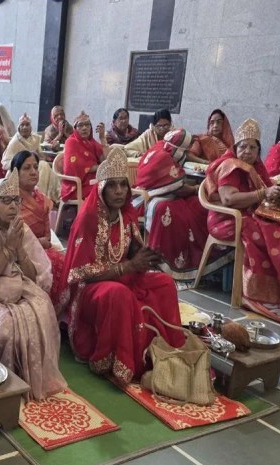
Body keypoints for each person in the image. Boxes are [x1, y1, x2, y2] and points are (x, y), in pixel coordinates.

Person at [57, 147, 185, 384]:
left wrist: (147, 257)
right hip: (91, 288)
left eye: (123, 185)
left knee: (165, 283)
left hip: (122, 277)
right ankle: (115, 362)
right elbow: (80, 273)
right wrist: (126, 267)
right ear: (101, 189)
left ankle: (168, 350)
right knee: (119, 293)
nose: (119, 191)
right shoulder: (88, 219)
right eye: (112, 186)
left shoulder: (126, 215)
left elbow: (133, 253)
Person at [0, 172, 65, 400]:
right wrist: (7, 248)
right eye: (5, 201)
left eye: (15, 201)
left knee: (42, 308)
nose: (12, 207)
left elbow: (32, 275)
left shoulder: (19, 229)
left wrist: (18, 251)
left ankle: (32, 381)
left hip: (18, 287)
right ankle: (6, 387)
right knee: (7, 325)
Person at [204, 118, 280, 317]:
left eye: (253, 147)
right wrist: (263, 195)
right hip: (225, 218)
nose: (247, 151)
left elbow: (264, 189)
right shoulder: (230, 166)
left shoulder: (256, 167)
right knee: (265, 232)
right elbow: (229, 199)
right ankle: (257, 295)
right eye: (243, 146)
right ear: (235, 147)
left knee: (274, 228)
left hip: (246, 214)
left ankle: (274, 293)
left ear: (258, 151)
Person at [136, 129, 227, 281]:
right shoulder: (163, 158)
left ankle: (204, 252)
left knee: (198, 206)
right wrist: (196, 189)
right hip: (148, 197)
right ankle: (168, 261)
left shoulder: (163, 146)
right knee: (179, 214)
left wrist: (204, 164)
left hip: (164, 193)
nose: (185, 154)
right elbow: (178, 188)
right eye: (185, 150)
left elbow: (183, 161)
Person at [13, 150, 64, 304]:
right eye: (27, 168)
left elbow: (47, 236)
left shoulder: (41, 198)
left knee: (68, 263)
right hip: (19, 254)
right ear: (16, 172)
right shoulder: (10, 200)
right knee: (54, 263)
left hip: (42, 248)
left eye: (35, 167)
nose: (34, 172)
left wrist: (42, 243)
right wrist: (37, 243)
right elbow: (8, 236)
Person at [1, 113, 57, 202]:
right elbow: (5, 163)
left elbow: (40, 155)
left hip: (34, 168)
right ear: (18, 127)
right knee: (42, 166)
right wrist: (21, 162)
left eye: (27, 125)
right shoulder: (15, 142)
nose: (24, 127)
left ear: (31, 127)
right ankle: (36, 197)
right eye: (22, 125)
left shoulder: (35, 138)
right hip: (19, 172)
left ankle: (42, 197)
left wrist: (41, 155)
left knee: (44, 165)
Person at [61, 111, 109, 202]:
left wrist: (102, 138)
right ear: (75, 128)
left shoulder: (91, 142)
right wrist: (101, 167)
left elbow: (105, 160)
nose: (84, 128)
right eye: (80, 125)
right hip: (78, 184)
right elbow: (76, 167)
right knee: (106, 189)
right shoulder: (71, 142)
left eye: (87, 125)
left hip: (95, 177)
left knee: (113, 184)